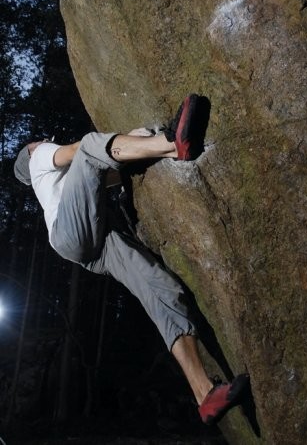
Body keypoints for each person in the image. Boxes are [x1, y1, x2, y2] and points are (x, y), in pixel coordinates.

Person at [13, 94, 249, 425]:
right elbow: (81, 150)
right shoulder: (38, 157)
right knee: (90, 144)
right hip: (72, 233)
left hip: (87, 246)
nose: (43, 141)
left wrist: (136, 141)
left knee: (158, 286)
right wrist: (156, 143)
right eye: (39, 141)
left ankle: (204, 393)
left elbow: (109, 171)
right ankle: (173, 145)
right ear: (30, 152)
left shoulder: (60, 182)